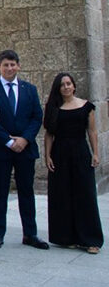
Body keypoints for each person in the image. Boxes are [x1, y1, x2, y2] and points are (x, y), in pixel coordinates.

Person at [0, 50, 49, 250]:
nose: (9, 68)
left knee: (26, 191)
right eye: (5, 64)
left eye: (13, 64)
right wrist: (7, 141)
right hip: (0, 149)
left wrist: (24, 139)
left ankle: (30, 233)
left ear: (19, 66)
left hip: (25, 148)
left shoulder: (29, 89)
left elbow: (36, 117)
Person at [43, 73, 104, 254]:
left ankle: (90, 240)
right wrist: (47, 156)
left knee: (85, 194)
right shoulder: (53, 108)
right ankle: (65, 237)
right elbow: (49, 134)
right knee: (61, 194)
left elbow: (92, 131)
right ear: (58, 88)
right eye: (62, 85)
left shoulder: (87, 107)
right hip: (59, 153)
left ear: (74, 86)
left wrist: (96, 153)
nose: (66, 87)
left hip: (80, 152)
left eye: (69, 84)